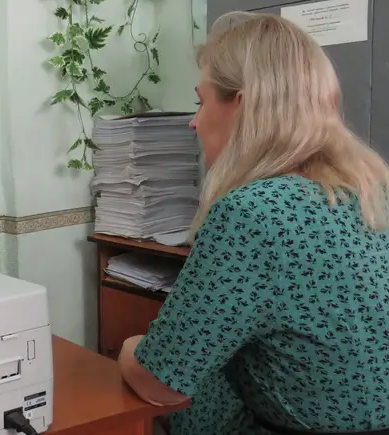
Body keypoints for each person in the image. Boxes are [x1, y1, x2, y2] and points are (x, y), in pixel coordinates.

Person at [117, 11, 389, 435]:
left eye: (201, 101)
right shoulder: (368, 192)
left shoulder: (251, 212)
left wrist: (128, 347)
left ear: (240, 106)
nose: (193, 120)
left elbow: (161, 381)